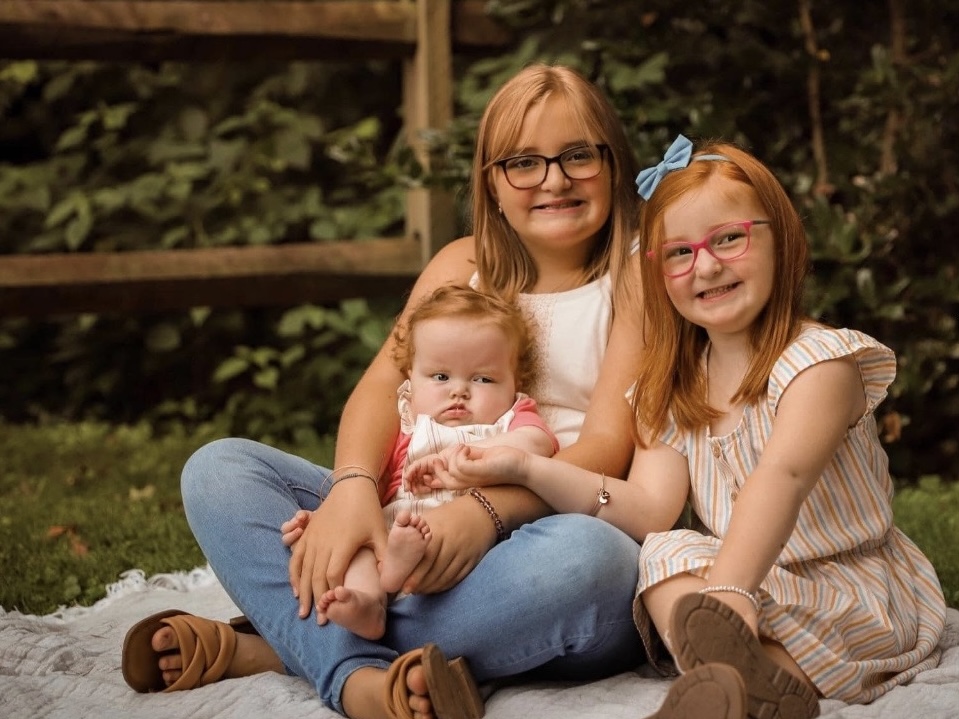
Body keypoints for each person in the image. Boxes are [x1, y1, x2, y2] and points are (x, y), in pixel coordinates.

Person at [120, 63, 647, 719]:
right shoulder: (462, 264)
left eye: (578, 156)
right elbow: (379, 386)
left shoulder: (634, 275)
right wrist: (351, 489)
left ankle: (291, 649)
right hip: (407, 513)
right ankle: (361, 672)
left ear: (613, 163)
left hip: (542, 536)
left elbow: (607, 446)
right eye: (523, 163)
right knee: (219, 469)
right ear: (491, 181)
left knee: (591, 563)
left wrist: (483, 513)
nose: (554, 179)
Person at [406, 135, 947, 719]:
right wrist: (527, 468)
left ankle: (738, 680)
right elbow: (647, 510)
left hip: (847, 587)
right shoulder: (674, 388)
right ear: (658, 274)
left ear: (782, 239)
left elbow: (783, 478)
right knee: (665, 550)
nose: (706, 266)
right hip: (746, 597)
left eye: (730, 238)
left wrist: (730, 594)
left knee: (712, 597)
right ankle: (744, 687)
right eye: (680, 252)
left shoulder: (819, 364)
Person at [280, 284, 559, 641]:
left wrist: (471, 454)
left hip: (469, 544)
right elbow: (368, 496)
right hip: (394, 533)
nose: (459, 391)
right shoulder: (406, 424)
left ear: (515, 382)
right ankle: (369, 603)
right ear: (410, 376)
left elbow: (537, 444)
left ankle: (394, 599)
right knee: (359, 548)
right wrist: (328, 517)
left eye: (483, 379)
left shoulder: (511, 418)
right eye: (441, 377)